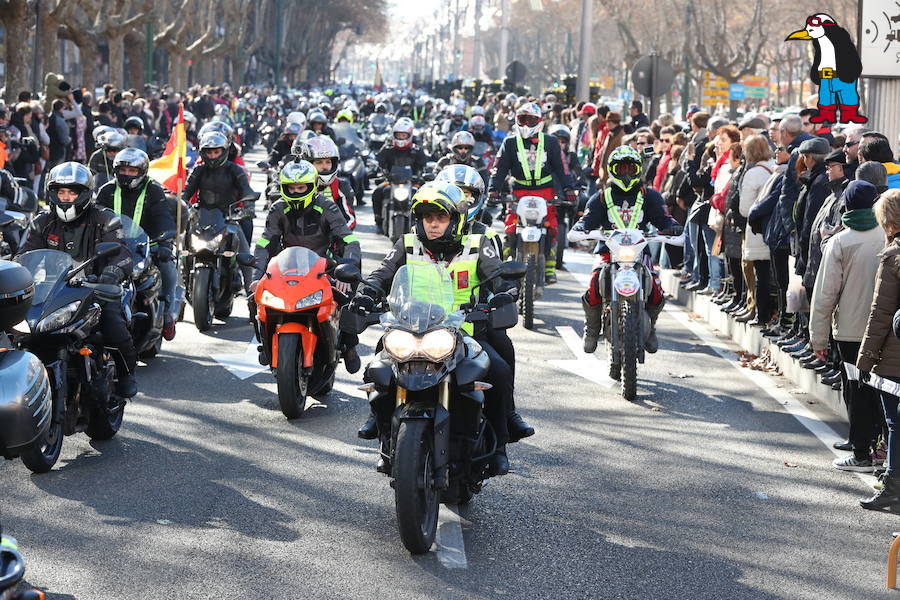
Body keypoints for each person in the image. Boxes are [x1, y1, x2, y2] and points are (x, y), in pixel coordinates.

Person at [351, 182, 519, 475]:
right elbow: (383, 273)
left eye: (440, 217)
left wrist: (505, 292)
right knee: (377, 365)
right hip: (410, 329)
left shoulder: (477, 245)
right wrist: (367, 293)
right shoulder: (407, 243)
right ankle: (381, 430)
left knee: (500, 371)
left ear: (455, 220)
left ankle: (500, 446)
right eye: (427, 217)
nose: (433, 224)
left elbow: (498, 277)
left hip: (463, 332)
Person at [18, 162, 137, 397]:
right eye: (61, 192)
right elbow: (24, 257)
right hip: (51, 293)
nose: (66, 197)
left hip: (96, 289)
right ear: (52, 193)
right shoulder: (42, 222)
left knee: (114, 326)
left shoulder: (105, 220)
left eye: (72, 192)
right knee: (16, 332)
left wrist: (111, 273)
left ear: (85, 194)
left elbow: (122, 254)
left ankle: (126, 374)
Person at [251, 160, 361, 372]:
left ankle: (349, 345)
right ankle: (265, 344)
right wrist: (257, 276)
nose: (296, 192)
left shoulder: (327, 206)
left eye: (300, 187)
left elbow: (349, 240)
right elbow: (265, 243)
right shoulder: (278, 208)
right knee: (253, 298)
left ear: (312, 186)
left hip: (324, 268)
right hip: (286, 269)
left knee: (348, 298)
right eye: (291, 188)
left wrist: (345, 272)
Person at [571, 146, 680, 354]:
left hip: (640, 252)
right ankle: (592, 329)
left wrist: (672, 227)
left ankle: (652, 327)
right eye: (622, 169)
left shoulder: (650, 196)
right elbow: (588, 218)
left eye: (631, 168)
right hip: (608, 251)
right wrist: (581, 227)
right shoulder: (602, 197)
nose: (627, 174)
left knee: (656, 290)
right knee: (595, 283)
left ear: (638, 169)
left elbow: (663, 218)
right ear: (613, 170)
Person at [810, 181, 884, 473]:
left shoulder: (840, 241)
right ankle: (877, 447)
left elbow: (825, 294)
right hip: (885, 328)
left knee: (856, 389)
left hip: (851, 331)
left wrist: (818, 338)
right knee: (883, 389)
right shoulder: (889, 236)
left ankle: (861, 450)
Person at [487, 101, 576, 285]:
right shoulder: (509, 142)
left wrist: (568, 189)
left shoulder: (550, 142)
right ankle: (502, 268)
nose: (527, 124)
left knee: (551, 227)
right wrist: (493, 190)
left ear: (540, 121)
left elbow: (562, 168)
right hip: (518, 193)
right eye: (522, 120)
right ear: (517, 121)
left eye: (531, 120)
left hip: (545, 193)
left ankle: (550, 269)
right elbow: (499, 169)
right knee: (510, 229)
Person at [95, 147, 178, 340]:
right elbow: (94, 218)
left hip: (145, 246)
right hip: (111, 248)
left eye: (132, 171)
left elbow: (162, 218)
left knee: (168, 267)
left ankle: (167, 314)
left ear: (142, 172)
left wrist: (164, 243)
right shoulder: (106, 190)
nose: (127, 174)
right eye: (123, 170)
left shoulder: (154, 190)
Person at [857, 189, 900, 511]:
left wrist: (865, 359)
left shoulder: (892, 256)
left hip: (894, 355)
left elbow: (880, 313)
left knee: (895, 422)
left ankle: (892, 485)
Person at [182, 131, 257, 292]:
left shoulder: (235, 170)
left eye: (216, 152)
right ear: (203, 152)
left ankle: (252, 299)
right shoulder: (199, 170)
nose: (213, 156)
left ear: (224, 151)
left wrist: (249, 206)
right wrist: (180, 204)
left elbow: (247, 191)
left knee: (245, 256)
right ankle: (179, 294)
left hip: (228, 218)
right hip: (202, 218)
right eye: (209, 152)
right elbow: (186, 193)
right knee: (182, 249)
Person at [371, 117, 430, 234]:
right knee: (377, 192)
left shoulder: (417, 150)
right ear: (394, 135)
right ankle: (378, 221)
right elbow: (379, 162)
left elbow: (423, 165)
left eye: (404, 135)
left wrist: (422, 175)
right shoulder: (388, 149)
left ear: (409, 135)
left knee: (426, 197)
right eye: (399, 135)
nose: (401, 138)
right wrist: (378, 170)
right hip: (391, 181)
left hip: (413, 182)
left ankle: (424, 223)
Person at [292, 135, 356, 228]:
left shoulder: (340, 186)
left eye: (328, 162)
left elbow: (350, 220)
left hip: (330, 238)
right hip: (298, 238)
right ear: (308, 164)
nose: (325, 166)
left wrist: (337, 234)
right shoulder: (295, 185)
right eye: (319, 162)